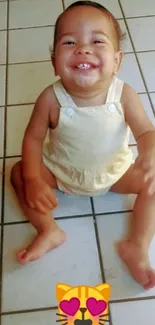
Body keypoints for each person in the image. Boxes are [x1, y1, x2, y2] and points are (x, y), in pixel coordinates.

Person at [11, 1, 155, 290]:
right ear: (54, 61)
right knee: (17, 172)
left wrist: (151, 149)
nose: (83, 49)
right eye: (70, 42)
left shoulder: (124, 94)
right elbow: (33, 138)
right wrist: (32, 178)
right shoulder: (50, 98)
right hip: (62, 171)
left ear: (118, 60)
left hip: (115, 174)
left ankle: (137, 246)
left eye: (97, 41)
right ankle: (48, 229)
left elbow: (145, 131)